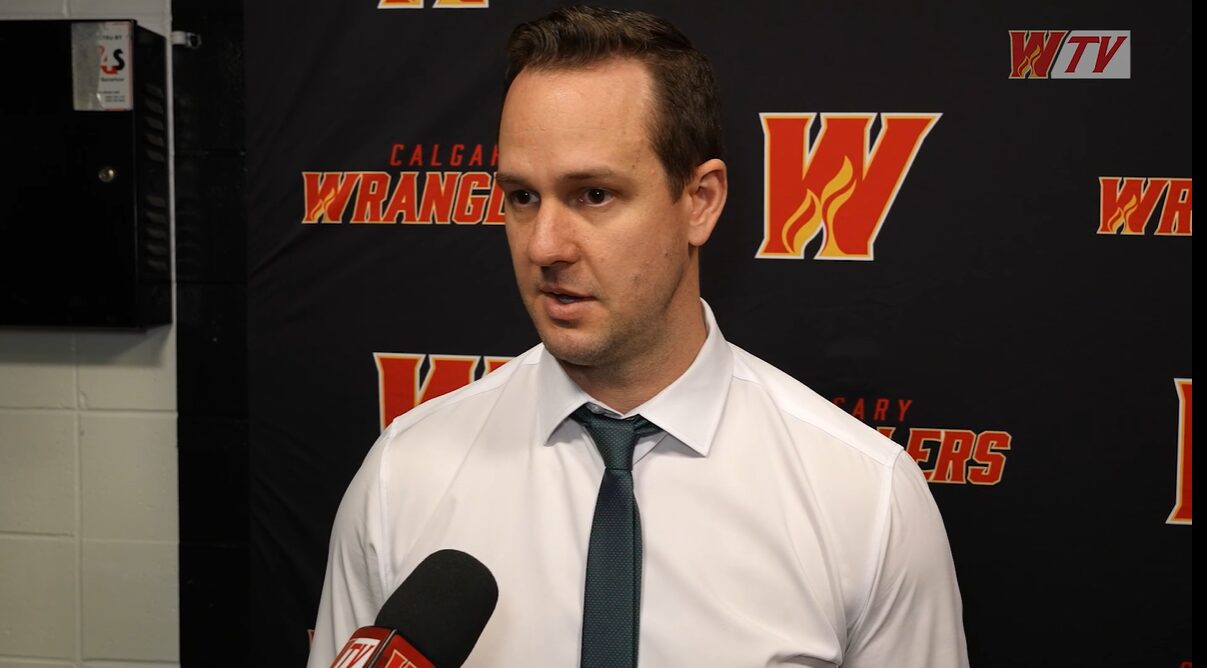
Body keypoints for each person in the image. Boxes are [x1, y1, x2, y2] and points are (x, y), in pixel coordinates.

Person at [308, 5, 969, 667]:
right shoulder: (404, 476)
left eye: (593, 195)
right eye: (522, 197)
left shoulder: (864, 498)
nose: (544, 246)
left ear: (700, 200)